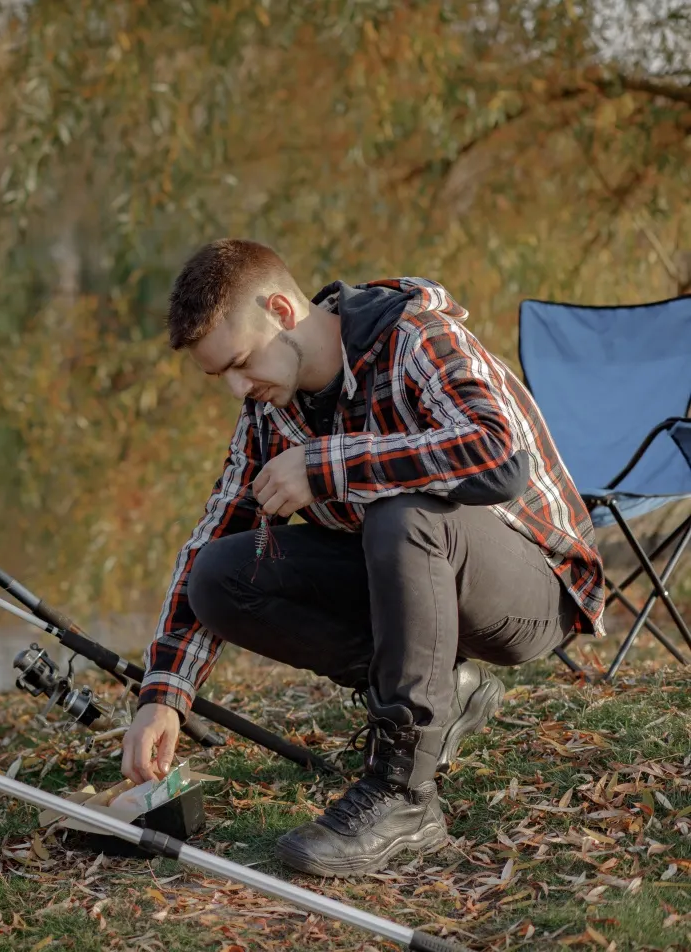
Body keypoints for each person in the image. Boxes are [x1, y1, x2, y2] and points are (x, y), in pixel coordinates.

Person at [120, 239, 605, 878]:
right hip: (414, 571)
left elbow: (499, 456)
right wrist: (164, 694)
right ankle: (444, 693)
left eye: (241, 362)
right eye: (222, 378)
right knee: (222, 576)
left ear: (282, 311)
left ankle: (405, 795)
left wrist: (329, 466)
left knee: (401, 511)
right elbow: (212, 536)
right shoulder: (269, 411)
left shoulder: (415, 338)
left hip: (533, 586)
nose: (239, 387)